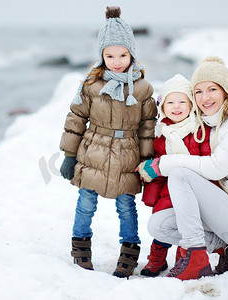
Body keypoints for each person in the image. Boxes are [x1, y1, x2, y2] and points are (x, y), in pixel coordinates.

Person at [137, 56, 228, 280]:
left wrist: (162, 164)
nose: (205, 98)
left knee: (179, 175)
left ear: (226, 90)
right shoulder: (212, 122)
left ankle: (196, 258)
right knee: (159, 225)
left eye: (212, 89)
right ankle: (226, 248)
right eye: (198, 92)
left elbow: (216, 168)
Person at [59, 6, 157, 278]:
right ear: (101, 55)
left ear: (132, 54)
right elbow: (76, 117)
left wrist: (147, 160)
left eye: (123, 55)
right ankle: (80, 248)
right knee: (86, 201)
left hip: (128, 154)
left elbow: (147, 125)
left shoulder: (142, 88)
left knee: (126, 205)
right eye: (110, 55)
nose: (116, 61)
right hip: (93, 152)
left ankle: (129, 252)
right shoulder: (91, 84)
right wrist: (69, 154)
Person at [138, 74, 214, 277]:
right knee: (161, 221)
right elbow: (157, 162)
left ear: (191, 105)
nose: (176, 106)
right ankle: (157, 259)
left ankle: (184, 258)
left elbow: (205, 160)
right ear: (162, 107)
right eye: (170, 102)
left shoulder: (199, 131)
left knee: (185, 223)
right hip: (166, 191)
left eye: (182, 101)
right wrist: (149, 172)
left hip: (191, 190)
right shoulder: (161, 133)